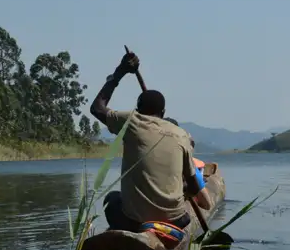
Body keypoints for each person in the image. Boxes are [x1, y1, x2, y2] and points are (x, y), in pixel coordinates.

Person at [90, 51, 212, 232]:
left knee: (112, 200)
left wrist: (119, 73)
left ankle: (132, 233)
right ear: (163, 113)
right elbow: (195, 188)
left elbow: (97, 107)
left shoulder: (132, 121)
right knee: (183, 214)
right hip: (176, 221)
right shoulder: (181, 135)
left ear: (138, 110)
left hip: (135, 220)